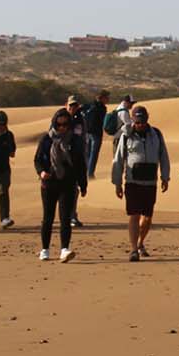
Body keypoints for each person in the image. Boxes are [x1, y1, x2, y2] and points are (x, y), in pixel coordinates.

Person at [111, 104, 170, 262]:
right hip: (132, 182)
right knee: (134, 215)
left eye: (142, 121)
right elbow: (118, 159)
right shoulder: (126, 135)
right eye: (137, 122)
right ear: (133, 120)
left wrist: (165, 176)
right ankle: (133, 249)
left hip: (150, 182)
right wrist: (117, 183)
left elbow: (163, 155)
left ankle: (140, 242)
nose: (140, 125)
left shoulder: (156, 134)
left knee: (148, 217)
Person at [34, 107, 89, 262]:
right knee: (48, 218)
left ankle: (64, 249)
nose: (62, 127)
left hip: (68, 183)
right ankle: (45, 249)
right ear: (54, 124)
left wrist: (83, 185)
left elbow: (80, 164)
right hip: (49, 183)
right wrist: (41, 172)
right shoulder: (46, 139)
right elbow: (37, 160)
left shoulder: (75, 140)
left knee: (65, 218)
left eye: (65, 124)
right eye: (59, 124)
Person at [63, 94, 91, 227]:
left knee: (74, 190)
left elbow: (84, 137)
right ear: (66, 105)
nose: (73, 108)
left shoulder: (80, 120)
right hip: (62, 160)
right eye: (71, 105)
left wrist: (84, 155)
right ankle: (64, 216)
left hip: (76, 159)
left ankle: (72, 216)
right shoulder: (61, 118)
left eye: (75, 105)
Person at [82, 90, 111, 179]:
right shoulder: (102, 108)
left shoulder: (88, 105)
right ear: (101, 98)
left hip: (87, 132)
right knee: (93, 154)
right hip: (96, 134)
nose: (108, 99)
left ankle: (86, 172)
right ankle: (90, 174)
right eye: (106, 97)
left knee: (87, 154)